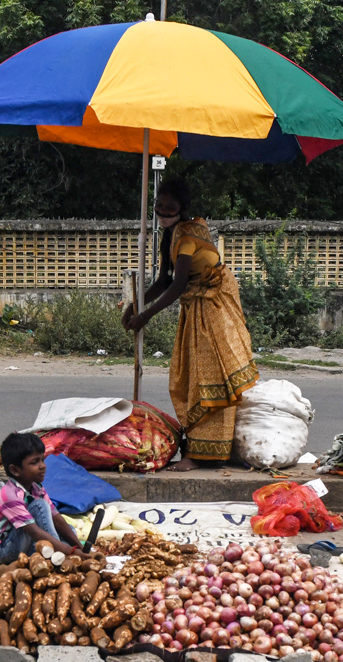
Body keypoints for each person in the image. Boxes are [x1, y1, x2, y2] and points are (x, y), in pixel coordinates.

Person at [123, 177, 258, 471]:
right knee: (190, 379)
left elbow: (177, 285)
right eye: (159, 205)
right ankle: (200, 448)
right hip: (195, 308)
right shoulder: (170, 236)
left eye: (170, 206)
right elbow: (163, 281)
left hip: (214, 309)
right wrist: (134, 304)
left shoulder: (186, 236)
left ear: (182, 207)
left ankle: (203, 455)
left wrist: (144, 316)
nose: (163, 210)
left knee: (211, 381)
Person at [0, 432, 86, 576]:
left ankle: (48, 556)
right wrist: (69, 552)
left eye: (42, 459)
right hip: (2, 552)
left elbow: (57, 518)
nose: (42, 466)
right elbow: (34, 531)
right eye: (34, 462)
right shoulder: (10, 495)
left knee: (70, 531)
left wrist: (79, 547)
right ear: (15, 470)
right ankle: (54, 559)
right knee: (39, 506)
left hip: (22, 541)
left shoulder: (36, 487)